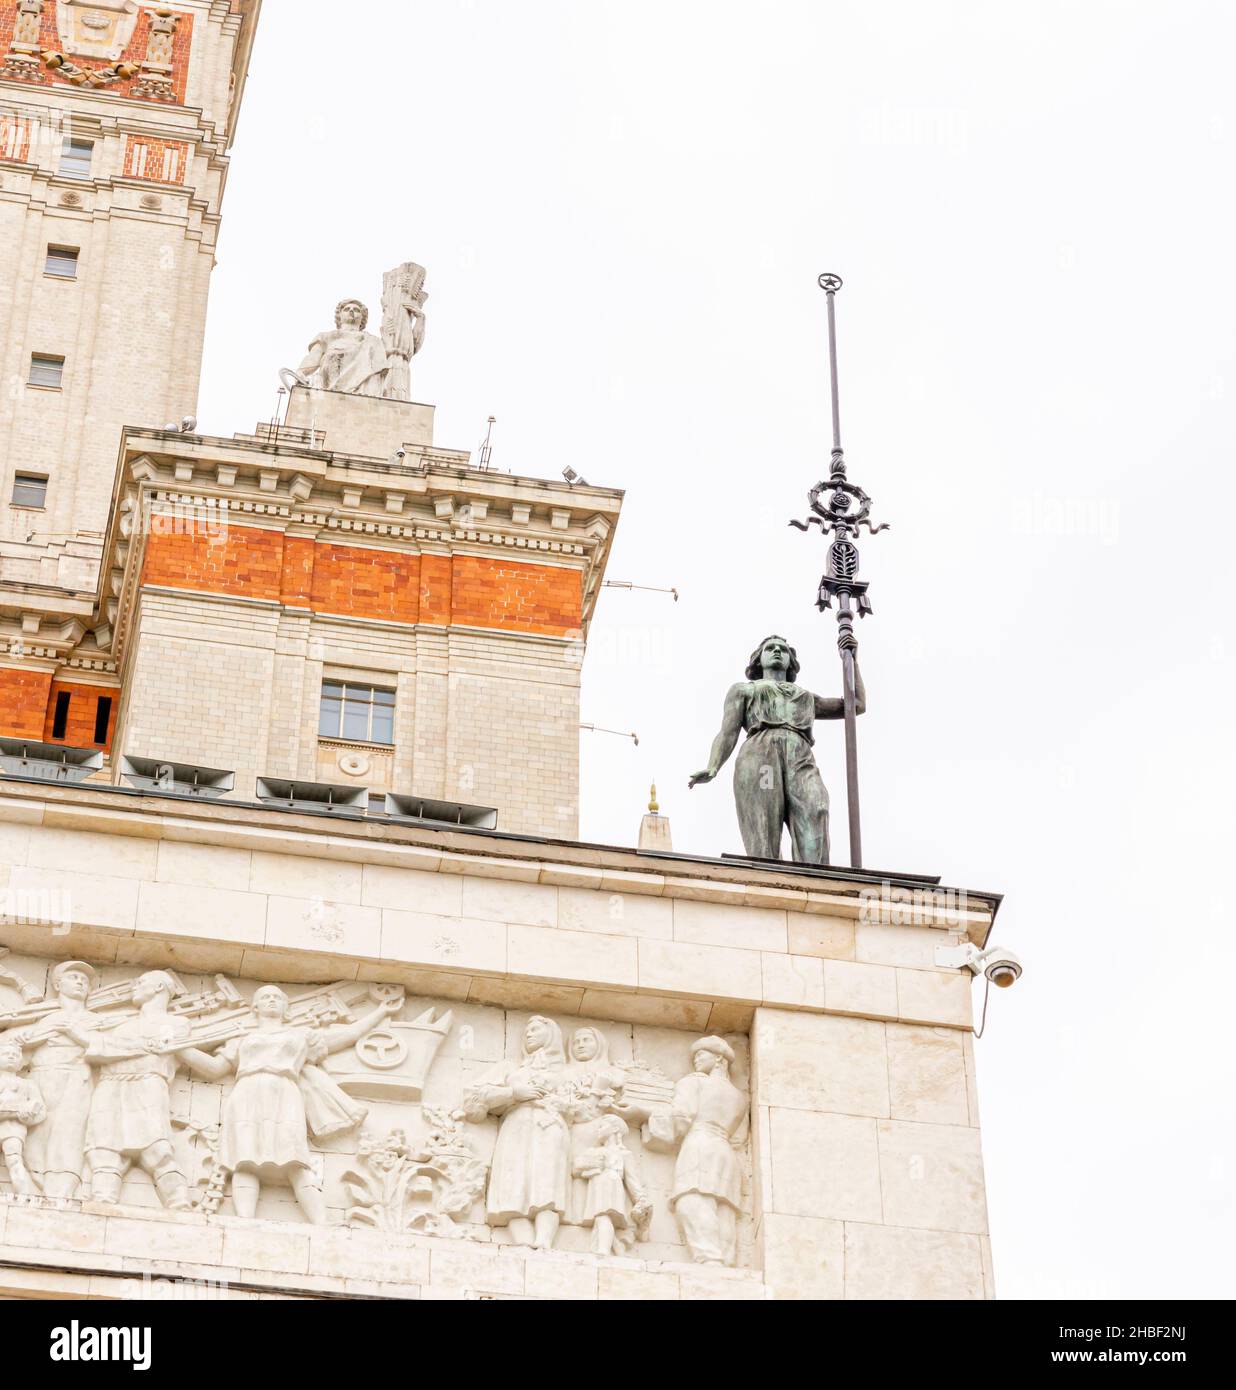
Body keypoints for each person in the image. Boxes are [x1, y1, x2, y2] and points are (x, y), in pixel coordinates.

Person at [174, 984, 400, 1222]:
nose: (271, 1000)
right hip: (246, 1094)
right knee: (245, 1160)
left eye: (277, 997)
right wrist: (180, 1049)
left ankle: (321, 1224)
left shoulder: (301, 1035)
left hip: (285, 1092)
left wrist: (381, 1011)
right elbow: (214, 1068)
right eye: (265, 997)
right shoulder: (241, 1038)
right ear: (255, 1007)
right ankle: (243, 1222)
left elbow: (347, 1035)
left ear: (286, 1007)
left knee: (295, 1158)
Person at [688, 633, 865, 864]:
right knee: (763, 822)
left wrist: (852, 661)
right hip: (761, 758)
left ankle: (815, 883)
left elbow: (856, 706)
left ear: (791, 662)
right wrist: (713, 766)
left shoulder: (806, 698)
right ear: (758, 660)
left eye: (783, 649)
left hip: (800, 759)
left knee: (815, 808)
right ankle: (768, 881)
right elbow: (727, 732)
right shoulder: (744, 690)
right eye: (770, 648)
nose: (777, 651)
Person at [64, 970, 193, 1209]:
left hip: (147, 1084)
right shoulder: (123, 1024)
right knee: (103, 1148)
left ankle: (179, 1203)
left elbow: (150, 1048)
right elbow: (104, 1049)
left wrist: (84, 1036)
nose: (134, 986)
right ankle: (102, 1200)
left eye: (141, 982)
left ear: (158, 988)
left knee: (157, 1147)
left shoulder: (176, 1024)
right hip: (110, 1085)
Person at [462, 1015, 572, 1249]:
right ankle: (522, 1243)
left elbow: (581, 1106)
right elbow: (472, 1100)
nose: (528, 1034)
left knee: (547, 1186)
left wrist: (560, 1104)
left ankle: (544, 1242)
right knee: (511, 1186)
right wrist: (513, 1093)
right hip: (516, 1127)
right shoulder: (510, 1069)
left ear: (551, 1035)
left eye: (534, 1030)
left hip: (550, 1128)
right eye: (526, 1032)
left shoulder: (567, 1073)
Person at [2, 960, 104, 1198]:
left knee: (69, 1136)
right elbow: (16, 1054)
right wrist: (23, 1040)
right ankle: (36, 1186)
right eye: (74, 977)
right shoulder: (43, 1019)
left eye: (85, 980)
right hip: (39, 1080)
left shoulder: (96, 1020)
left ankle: (60, 1193)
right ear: (57, 984)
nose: (80, 982)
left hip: (76, 1080)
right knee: (35, 1141)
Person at [644, 1036, 748, 1266]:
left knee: (690, 1201)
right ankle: (726, 1261)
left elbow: (681, 1118)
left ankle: (710, 1259)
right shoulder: (740, 1097)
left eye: (702, 1054)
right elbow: (739, 1139)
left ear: (719, 1058)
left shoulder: (695, 1082)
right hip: (725, 1151)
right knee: (723, 1208)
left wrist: (642, 1113)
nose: (695, 1060)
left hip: (699, 1144)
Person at [295, 298, 391, 396]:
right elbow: (313, 359)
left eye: (356, 310)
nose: (351, 311)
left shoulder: (373, 341)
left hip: (364, 389)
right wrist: (301, 372)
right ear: (339, 316)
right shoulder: (325, 337)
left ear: (362, 318)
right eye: (346, 309)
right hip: (330, 384)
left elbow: (379, 369)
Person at [0, 1035, 45, 1195]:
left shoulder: (27, 1084)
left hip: (13, 1128)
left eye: (15, 1055)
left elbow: (40, 1110)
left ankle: (23, 1194)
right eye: (6, 1054)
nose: (11, 1057)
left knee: (14, 1159)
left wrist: (27, 1115)